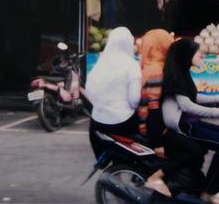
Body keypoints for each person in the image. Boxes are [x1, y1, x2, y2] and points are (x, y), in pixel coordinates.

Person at [161, 38, 219, 204]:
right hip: (184, 124)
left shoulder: (183, 72)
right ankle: (209, 191)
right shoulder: (176, 76)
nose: (200, 54)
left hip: (191, 121)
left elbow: (194, 96)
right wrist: (218, 111)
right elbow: (187, 106)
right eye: (197, 51)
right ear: (186, 55)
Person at [137, 29, 206, 198]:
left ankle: (189, 186)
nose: (171, 43)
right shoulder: (156, 72)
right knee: (195, 151)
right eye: (167, 41)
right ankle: (157, 176)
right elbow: (153, 109)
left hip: (161, 125)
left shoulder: (155, 66)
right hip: (156, 129)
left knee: (200, 147)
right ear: (160, 45)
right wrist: (158, 141)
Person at [85, 27, 141, 159]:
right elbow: (135, 100)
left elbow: (89, 91)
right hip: (123, 121)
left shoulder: (100, 64)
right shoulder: (132, 65)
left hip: (98, 121)